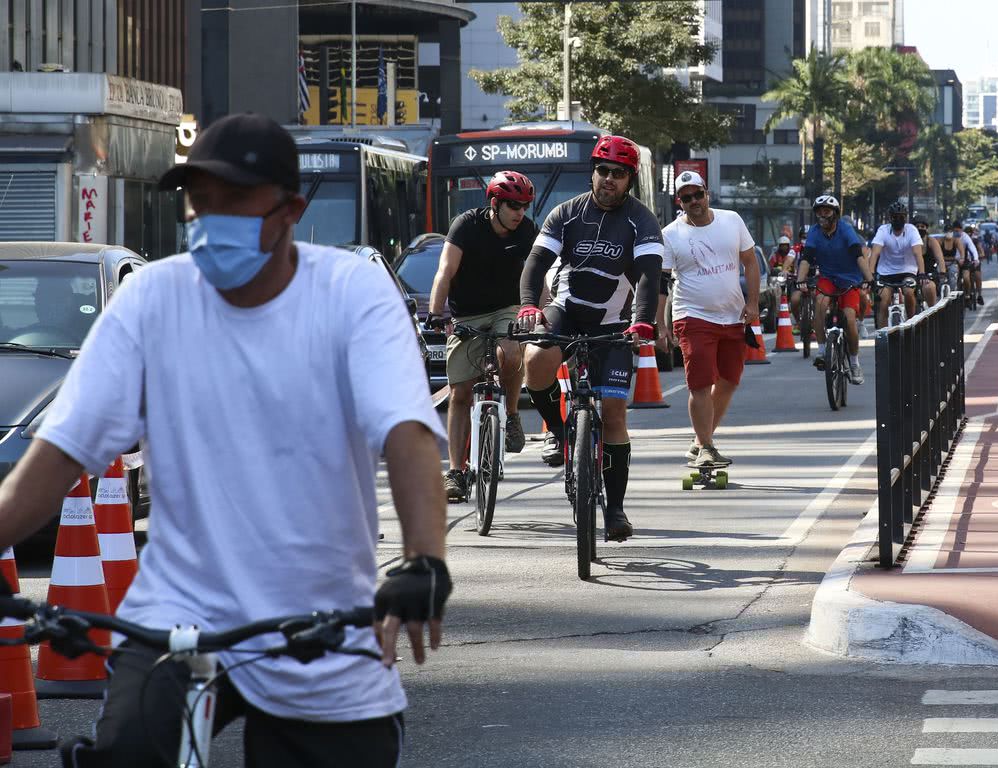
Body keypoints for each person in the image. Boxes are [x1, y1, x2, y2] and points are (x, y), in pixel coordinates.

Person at [0, 113, 452, 768]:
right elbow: (61, 451)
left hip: (319, 623)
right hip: (179, 615)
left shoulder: (350, 292)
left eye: (235, 201)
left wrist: (424, 562)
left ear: (290, 210)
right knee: (124, 755)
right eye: (198, 202)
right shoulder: (152, 299)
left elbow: (406, 432)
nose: (211, 220)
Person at [517, 134, 667, 543]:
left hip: (614, 322)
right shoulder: (565, 214)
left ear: (629, 180)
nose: (609, 180)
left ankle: (615, 509)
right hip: (565, 310)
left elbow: (649, 277)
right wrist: (530, 304)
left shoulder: (642, 220)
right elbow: (536, 262)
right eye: (603, 171)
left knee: (615, 414)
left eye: (618, 174)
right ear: (593, 173)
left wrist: (642, 322)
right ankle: (557, 429)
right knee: (535, 359)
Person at [427, 170, 537, 502]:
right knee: (460, 394)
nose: (520, 213)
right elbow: (445, 271)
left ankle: (514, 416)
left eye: (524, 206)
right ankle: (457, 472)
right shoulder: (466, 226)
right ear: (494, 203)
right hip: (468, 314)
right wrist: (435, 312)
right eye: (513, 206)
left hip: (508, 307)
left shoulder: (528, 231)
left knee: (511, 351)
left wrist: (541, 312)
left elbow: (539, 277)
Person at [662, 170, 759, 466]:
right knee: (700, 384)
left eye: (698, 194)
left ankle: (700, 440)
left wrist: (753, 302)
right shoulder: (670, 234)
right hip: (692, 317)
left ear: (707, 194)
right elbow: (660, 281)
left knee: (729, 380)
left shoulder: (731, 220)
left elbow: (750, 262)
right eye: (686, 197)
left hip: (732, 316)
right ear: (680, 202)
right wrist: (659, 326)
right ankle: (706, 445)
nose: (694, 201)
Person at [797, 194, 874, 385]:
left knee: (849, 318)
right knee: (820, 304)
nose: (823, 216)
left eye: (827, 212)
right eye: (819, 212)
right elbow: (806, 258)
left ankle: (855, 363)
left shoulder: (846, 230)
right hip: (828, 278)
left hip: (849, 279)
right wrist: (800, 280)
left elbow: (859, 257)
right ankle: (822, 350)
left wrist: (869, 278)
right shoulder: (814, 232)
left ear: (835, 214)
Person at [870, 201, 925, 326]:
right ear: (890, 218)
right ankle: (882, 335)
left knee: (909, 293)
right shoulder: (883, 230)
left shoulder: (912, 230)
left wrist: (921, 273)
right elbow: (875, 253)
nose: (898, 220)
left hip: (907, 270)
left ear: (905, 218)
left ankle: (912, 323)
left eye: (901, 217)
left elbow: (918, 254)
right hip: (886, 272)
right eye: (895, 217)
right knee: (883, 300)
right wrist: (871, 274)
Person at [913, 216, 947, 308]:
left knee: (929, 287)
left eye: (922, 226)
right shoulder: (908, 240)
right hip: (911, 275)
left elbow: (940, 258)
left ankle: (932, 312)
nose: (920, 228)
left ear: (926, 228)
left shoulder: (931, 241)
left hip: (929, 275)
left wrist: (942, 273)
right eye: (917, 226)